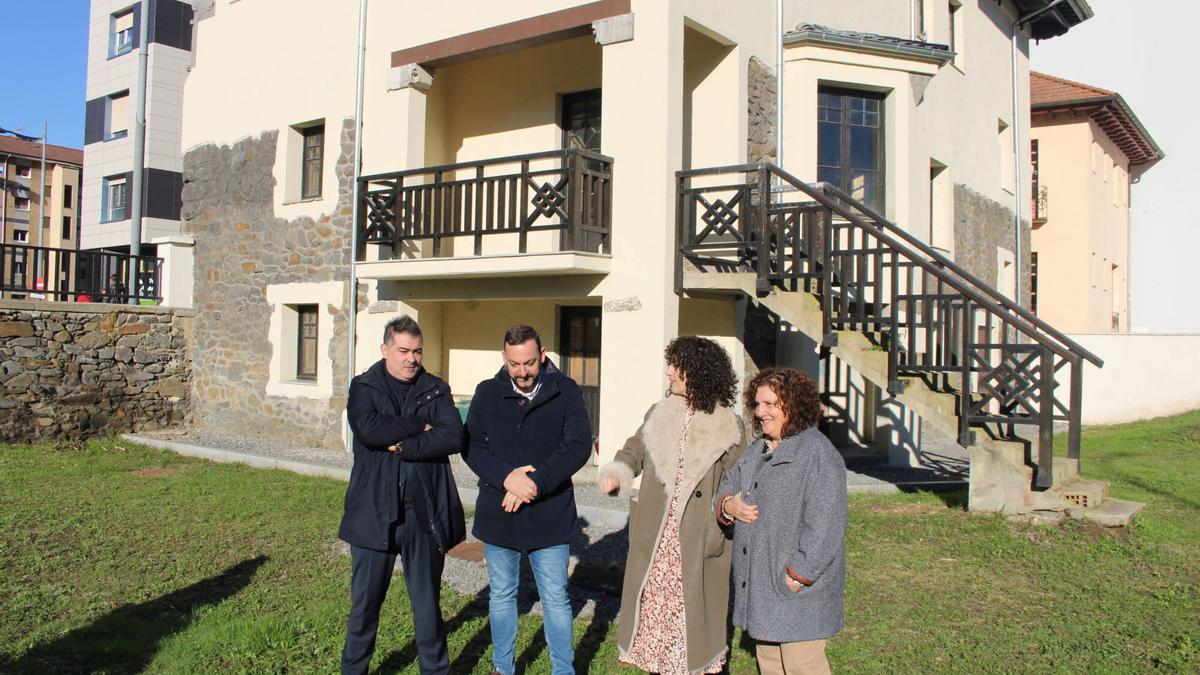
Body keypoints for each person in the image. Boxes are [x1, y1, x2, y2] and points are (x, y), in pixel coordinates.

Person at [598, 336, 745, 674]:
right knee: (654, 625)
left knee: (693, 628)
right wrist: (619, 472)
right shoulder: (658, 412)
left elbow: (738, 482)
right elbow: (634, 449)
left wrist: (725, 513)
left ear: (697, 372)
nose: (669, 372)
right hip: (657, 540)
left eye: (676, 366)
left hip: (697, 540)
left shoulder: (729, 426)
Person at [338, 315, 466, 675]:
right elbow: (368, 428)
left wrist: (405, 444)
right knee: (364, 608)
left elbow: (453, 436)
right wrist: (419, 425)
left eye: (417, 351)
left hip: (423, 516)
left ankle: (435, 671)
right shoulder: (364, 387)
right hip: (371, 511)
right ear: (385, 350)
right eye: (403, 351)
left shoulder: (435, 389)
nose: (411, 358)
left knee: (427, 608)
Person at [463, 324, 591, 675]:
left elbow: (578, 444)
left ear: (543, 355)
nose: (522, 372)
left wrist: (535, 483)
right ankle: (502, 667)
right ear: (504, 358)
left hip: (550, 513)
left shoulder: (566, 391)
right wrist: (507, 477)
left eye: (530, 363)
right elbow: (473, 445)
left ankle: (562, 670)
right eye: (515, 364)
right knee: (502, 595)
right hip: (499, 511)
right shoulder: (487, 392)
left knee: (555, 599)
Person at [717, 367, 848, 675]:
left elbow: (826, 524)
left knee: (802, 665)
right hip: (764, 589)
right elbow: (727, 485)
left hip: (798, 592)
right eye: (757, 404)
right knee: (771, 664)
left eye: (770, 404)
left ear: (794, 405)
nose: (760, 412)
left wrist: (798, 574)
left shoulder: (818, 455)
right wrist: (728, 505)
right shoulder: (757, 450)